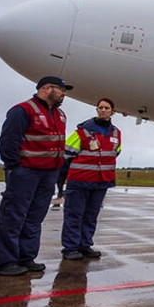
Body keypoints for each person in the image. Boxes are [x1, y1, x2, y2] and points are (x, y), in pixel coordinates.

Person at [0, 76, 70, 276]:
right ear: (45, 89)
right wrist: (14, 166)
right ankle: (4, 262)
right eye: (60, 89)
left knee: (35, 217)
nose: (63, 93)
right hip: (26, 172)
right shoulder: (23, 110)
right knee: (13, 216)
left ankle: (26, 257)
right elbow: (8, 140)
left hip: (48, 173)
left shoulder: (60, 115)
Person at [60, 98, 122, 260]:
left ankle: (85, 244)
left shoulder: (116, 133)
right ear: (96, 110)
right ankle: (70, 247)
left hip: (101, 181)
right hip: (80, 180)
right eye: (100, 107)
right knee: (74, 215)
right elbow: (66, 154)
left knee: (91, 215)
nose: (103, 110)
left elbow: (115, 152)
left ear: (112, 111)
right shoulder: (82, 132)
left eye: (106, 108)